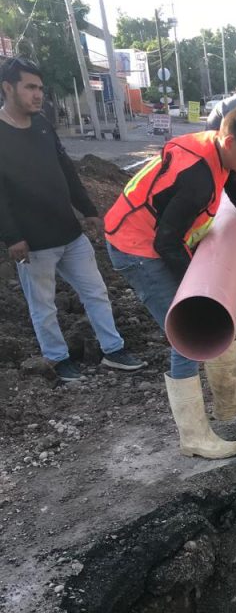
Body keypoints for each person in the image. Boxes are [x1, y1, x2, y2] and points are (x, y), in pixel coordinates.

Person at [103, 105, 236, 460]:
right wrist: (200, 295)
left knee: (217, 319)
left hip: (155, 240)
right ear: (230, 141)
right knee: (188, 334)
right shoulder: (197, 174)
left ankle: (229, 404)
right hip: (136, 248)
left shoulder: (217, 155)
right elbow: (166, 241)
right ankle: (193, 436)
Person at [0, 57, 144, 383]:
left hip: (69, 232)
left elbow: (67, 171)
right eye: (30, 88)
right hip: (33, 243)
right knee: (44, 305)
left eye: (40, 88)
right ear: (8, 88)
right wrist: (12, 237)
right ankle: (57, 358)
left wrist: (89, 210)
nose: (39, 95)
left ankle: (113, 349)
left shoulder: (42, 125)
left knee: (96, 291)